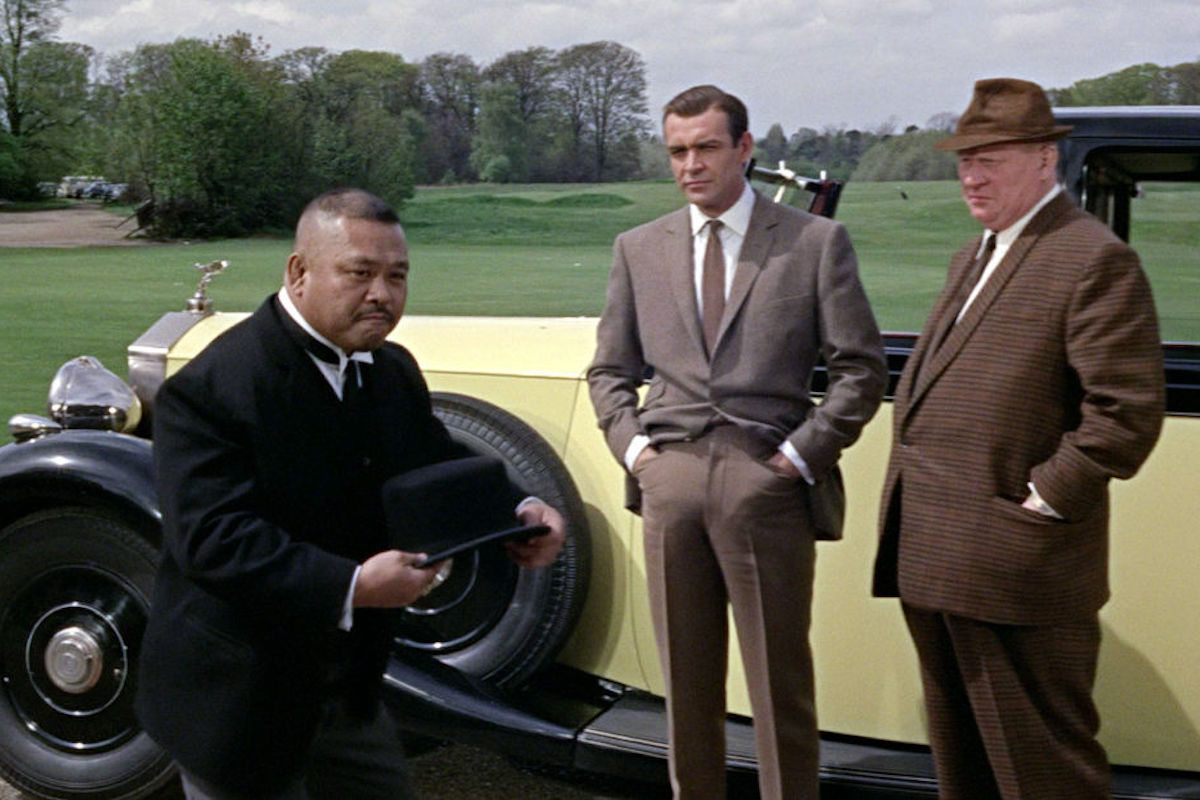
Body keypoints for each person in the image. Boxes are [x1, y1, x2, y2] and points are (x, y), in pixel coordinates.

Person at [135, 188, 565, 800]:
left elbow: (435, 458)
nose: (382, 296)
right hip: (236, 698)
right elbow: (213, 540)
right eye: (359, 273)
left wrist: (520, 510)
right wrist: (354, 586)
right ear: (299, 271)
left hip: (349, 689)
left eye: (397, 276)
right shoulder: (211, 388)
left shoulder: (390, 369)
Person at [587, 85, 887, 800]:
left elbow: (861, 371)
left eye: (706, 148)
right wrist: (639, 457)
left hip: (767, 484)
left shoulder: (814, 242)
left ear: (744, 149)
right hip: (671, 484)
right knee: (685, 689)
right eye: (678, 152)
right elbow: (608, 371)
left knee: (780, 684)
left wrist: (796, 459)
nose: (690, 165)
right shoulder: (638, 249)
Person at [872, 78, 1166, 799]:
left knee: (1043, 772)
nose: (972, 175)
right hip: (939, 559)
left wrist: (1040, 503)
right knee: (964, 766)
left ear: (1045, 161)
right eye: (965, 159)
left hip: (1015, 566)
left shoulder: (1091, 258)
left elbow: (1124, 414)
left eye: (992, 158)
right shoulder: (975, 255)